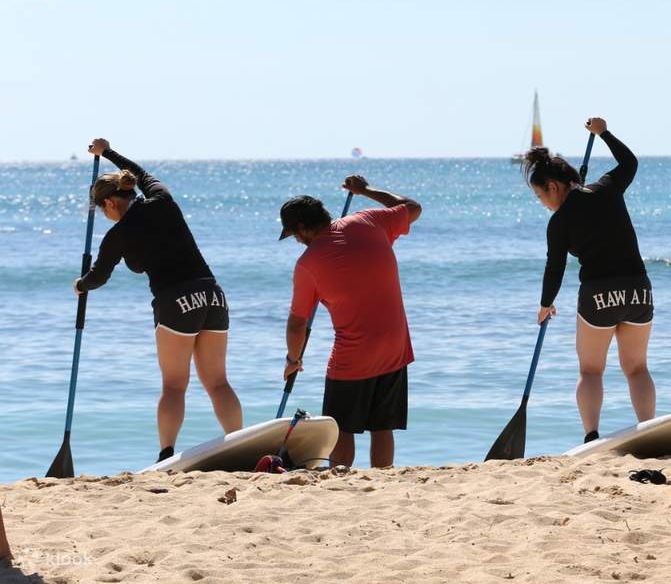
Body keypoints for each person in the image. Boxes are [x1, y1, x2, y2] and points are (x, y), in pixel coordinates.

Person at [76, 139, 243, 462]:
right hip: (212, 293)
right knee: (218, 382)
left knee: (174, 386)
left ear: (110, 203)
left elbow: (98, 277)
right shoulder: (162, 199)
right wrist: (107, 152)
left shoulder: (118, 235)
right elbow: (141, 172)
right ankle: (238, 440)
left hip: (176, 300)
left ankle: (166, 452)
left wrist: (80, 285)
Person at [524, 117, 655, 443]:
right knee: (637, 368)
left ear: (553, 187)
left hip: (599, 294)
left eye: (541, 197)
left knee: (591, 370)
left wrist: (546, 304)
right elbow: (629, 162)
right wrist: (604, 133)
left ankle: (591, 435)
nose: (543, 204)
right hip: (639, 289)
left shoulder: (559, 223)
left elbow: (554, 268)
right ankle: (651, 429)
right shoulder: (607, 188)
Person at [280, 175, 421, 468]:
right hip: (395, 345)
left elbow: (297, 324)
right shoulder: (368, 220)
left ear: (305, 228)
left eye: (295, 233)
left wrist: (293, 359)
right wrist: (366, 191)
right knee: (382, 426)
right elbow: (412, 207)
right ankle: (382, 478)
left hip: (353, 357)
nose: (296, 240)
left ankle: (341, 479)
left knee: (341, 427)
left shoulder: (308, 263)